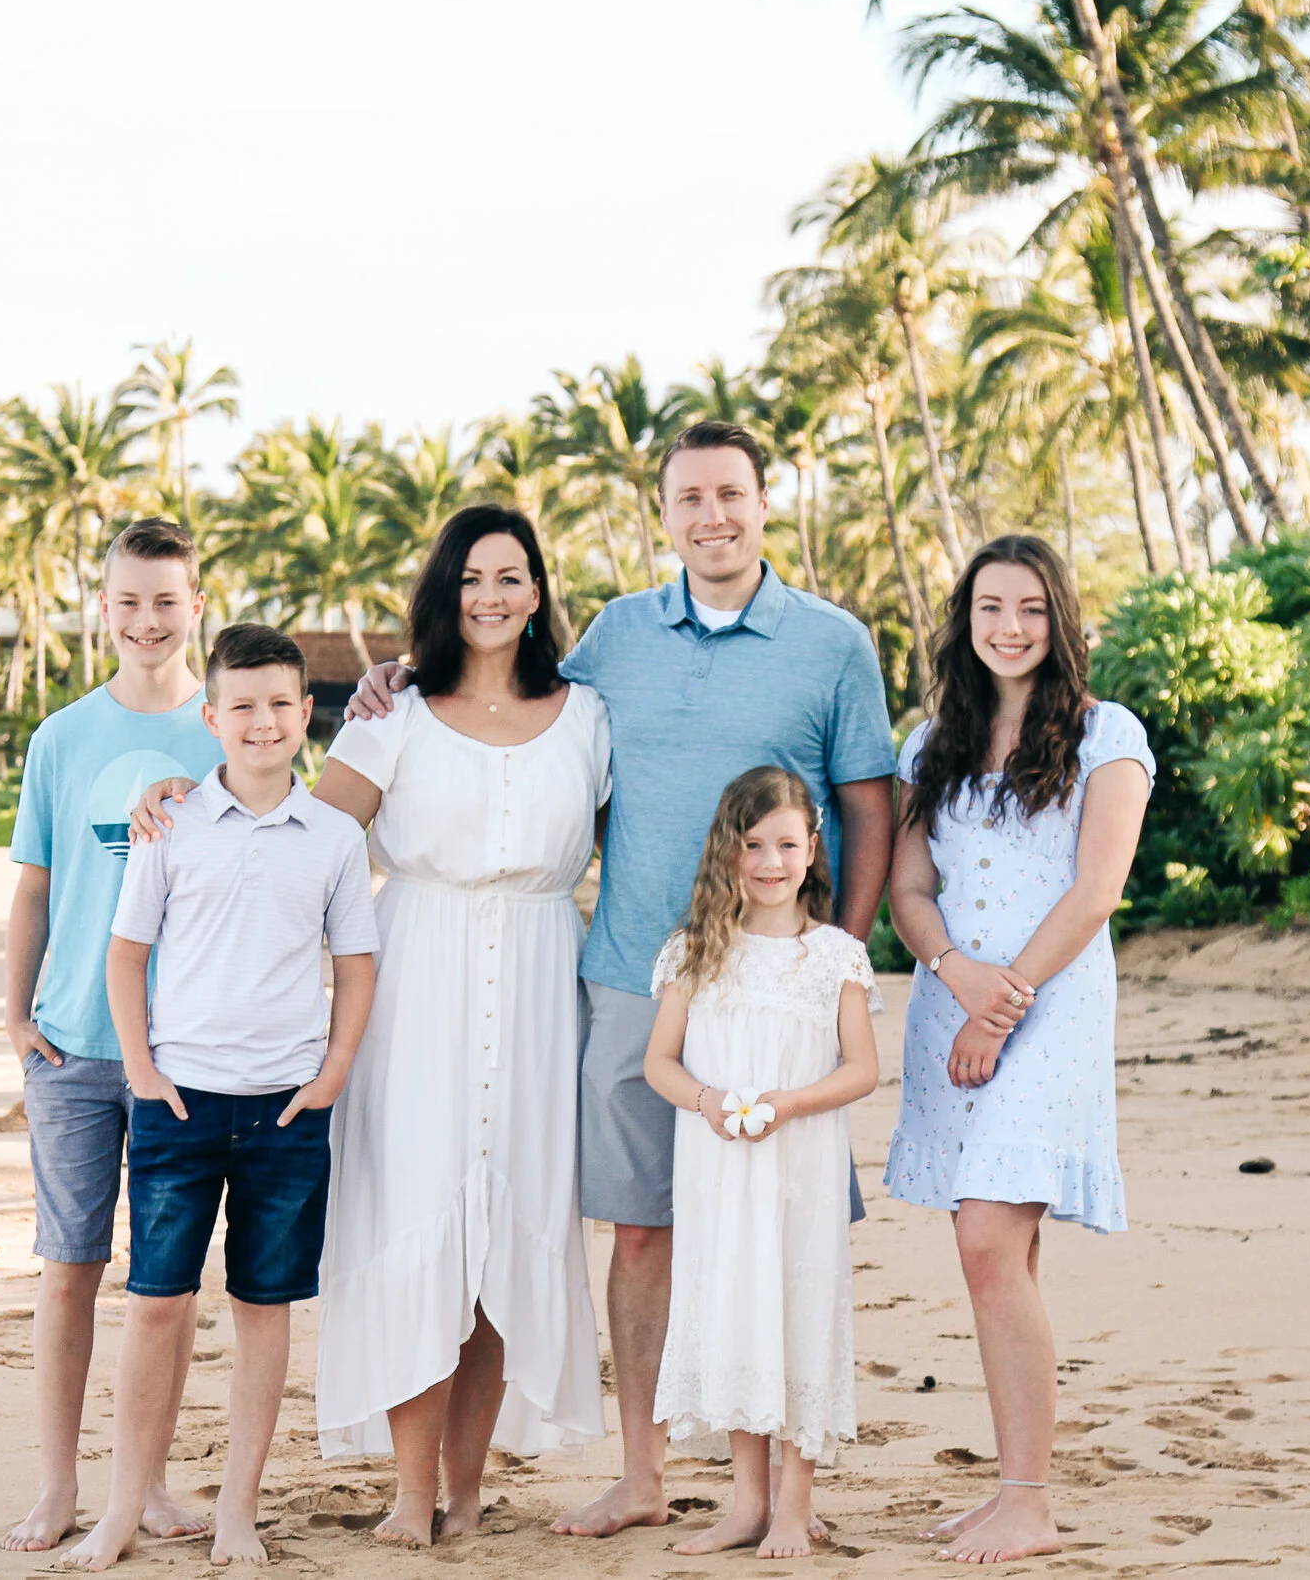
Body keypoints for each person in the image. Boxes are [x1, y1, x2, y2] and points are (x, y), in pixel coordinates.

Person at [346, 418, 898, 1538]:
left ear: (762, 500)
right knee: (639, 1231)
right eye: (689, 497)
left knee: (783, 1221)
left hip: (777, 988)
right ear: (666, 513)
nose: (712, 516)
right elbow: (505, 706)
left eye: (730, 494)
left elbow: (868, 807)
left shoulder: (834, 642)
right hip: (630, 979)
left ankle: (784, 1484)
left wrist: (828, 952)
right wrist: (397, 675)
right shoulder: (614, 637)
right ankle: (644, 1471)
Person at [308, 506, 609, 1546]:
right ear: (448, 591)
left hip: (538, 985)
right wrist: (181, 795)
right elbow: (308, 839)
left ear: (536, 594)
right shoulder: (391, 712)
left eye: (512, 577)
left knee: (500, 1238)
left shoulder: (588, 718)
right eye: (473, 576)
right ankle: (406, 1489)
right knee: (416, 1229)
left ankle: (469, 1486)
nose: (492, 594)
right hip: (414, 985)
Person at [69, 623, 380, 1572]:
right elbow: (127, 956)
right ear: (211, 718)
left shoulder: (333, 835)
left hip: (287, 1109)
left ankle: (238, 1509)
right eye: (241, 705)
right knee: (157, 1301)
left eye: (280, 703)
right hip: (178, 1104)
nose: (262, 721)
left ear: (306, 714)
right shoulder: (171, 822)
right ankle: (124, 1505)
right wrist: (141, 1069)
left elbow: (356, 966)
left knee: (263, 1307)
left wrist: (329, 1076)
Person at [885, 535, 1153, 1566]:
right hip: (952, 1004)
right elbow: (909, 889)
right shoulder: (930, 742)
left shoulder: (1105, 734)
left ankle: (1029, 1500)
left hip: (1052, 1010)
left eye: (1032, 608)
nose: (1010, 626)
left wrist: (1004, 1004)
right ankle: (1010, 1483)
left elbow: (1096, 889)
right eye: (991, 606)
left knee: (989, 1240)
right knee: (1004, 1250)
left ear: (1060, 618)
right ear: (965, 618)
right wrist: (957, 976)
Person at [0, 517, 224, 1555]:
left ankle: (156, 1478)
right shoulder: (61, 736)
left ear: (195, 605)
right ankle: (54, 1484)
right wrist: (16, 1011)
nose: (147, 620)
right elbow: (36, 887)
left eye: (165, 601)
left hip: (188, 1051)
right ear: (103, 608)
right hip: (74, 1047)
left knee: (164, 1282)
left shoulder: (228, 732)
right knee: (67, 1269)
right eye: (128, 602)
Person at [642, 767, 879, 1560]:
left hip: (799, 1171)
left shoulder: (834, 957)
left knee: (798, 1307)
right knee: (737, 1309)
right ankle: (745, 1502)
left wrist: (784, 1103)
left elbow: (860, 1068)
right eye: (753, 845)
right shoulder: (694, 951)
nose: (771, 861)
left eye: (787, 843)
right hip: (719, 1171)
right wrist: (709, 1101)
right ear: (728, 852)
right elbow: (660, 1063)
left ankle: (793, 1504)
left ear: (813, 848)